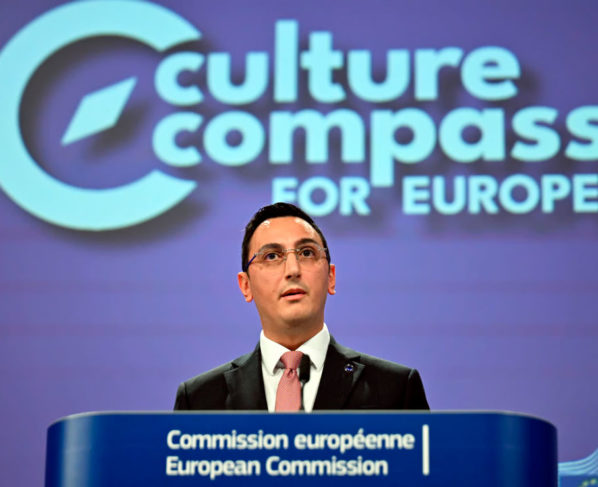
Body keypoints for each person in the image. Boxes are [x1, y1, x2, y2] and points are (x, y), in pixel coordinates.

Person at [174, 202, 429, 411]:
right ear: (246, 285)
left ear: (331, 277)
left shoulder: (396, 390)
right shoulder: (199, 400)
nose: (293, 270)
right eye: (271, 256)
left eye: (307, 253)